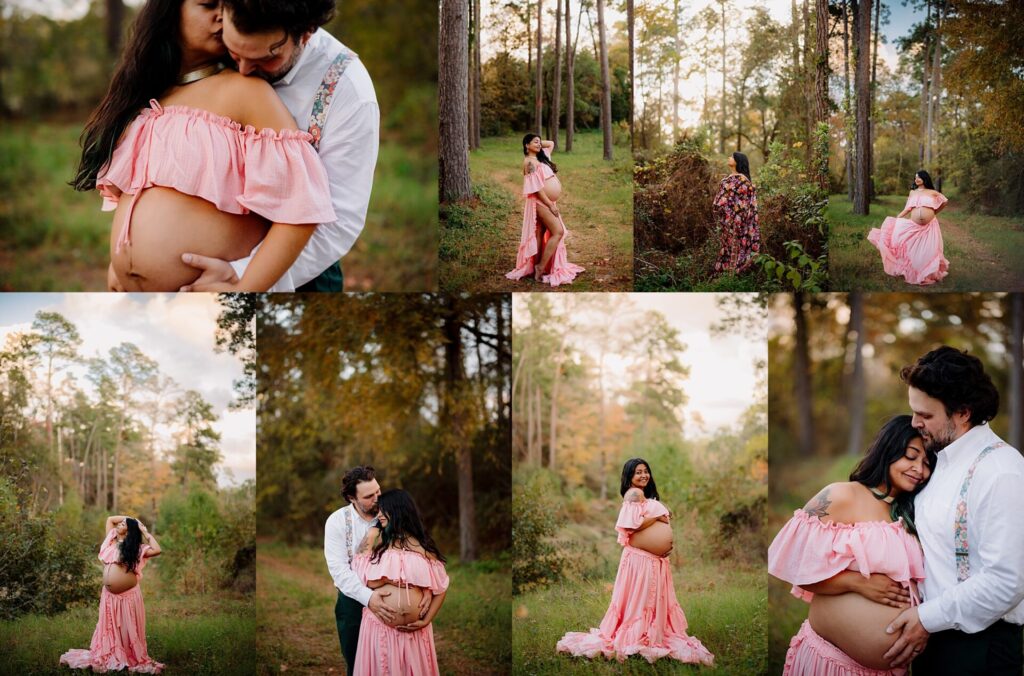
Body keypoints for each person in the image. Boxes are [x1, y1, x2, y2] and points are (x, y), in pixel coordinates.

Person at [73, 0, 338, 292]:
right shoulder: (151, 97)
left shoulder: (246, 92)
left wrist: (244, 288)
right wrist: (119, 267)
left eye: (226, 7)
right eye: (208, 4)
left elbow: (300, 207)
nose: (221, 17)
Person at [179, 0, 379, 292]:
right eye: (235, 52)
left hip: (298, 281)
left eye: (265, 58)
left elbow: (340, 220)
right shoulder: (208, 46)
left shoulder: (349, 91)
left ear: (307, 32)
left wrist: (243, 276)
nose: (245, 70)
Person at [882, 347, 1024, 674]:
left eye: (926, 416)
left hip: (980, 648)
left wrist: (926, 618)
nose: (915, 423)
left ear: (962, 412)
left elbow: (1007, 580)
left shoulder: (1002, 471)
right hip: (935, 639)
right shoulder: (936, 461)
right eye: (913, 412)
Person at [768, 416, 934, 674]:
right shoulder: (841, 495)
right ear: (888, 450)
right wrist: (858, 583)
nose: (919, 469)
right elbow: (795, 568)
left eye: (926, 463)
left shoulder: (915, 511)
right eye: (910, 457)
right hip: (831, 661)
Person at [556, 458, 714, 665]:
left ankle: (648, 633)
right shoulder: (634, 493)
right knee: (641, 601)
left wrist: (662, 539)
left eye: (646, 471)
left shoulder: (645, 496)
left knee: (647, 600)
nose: (643, 475)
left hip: (652, 560)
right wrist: (658, 518)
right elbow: (631, 525)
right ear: (629, 476)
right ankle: (638, 637)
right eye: (638, 472)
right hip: (641, 561)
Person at [324, 467, 432, 676]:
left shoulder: (393, 514)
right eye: (368, 496)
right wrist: (369, 598)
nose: (377, 498)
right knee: (359, 664)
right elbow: (339, 571)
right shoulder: (337, 522)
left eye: (378, 491)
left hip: (402, 610)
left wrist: (424, 588)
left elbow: (419, 553)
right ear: (351, 498)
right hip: (353, 602)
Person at [351, 489, 449, 675]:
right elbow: (359, 576)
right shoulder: (377, 540)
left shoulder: (423, 547)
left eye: (382, 510)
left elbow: (442, 586)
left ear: (397, 510)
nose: (378, 514)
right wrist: (385, 580)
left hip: (415, 633)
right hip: (380, 629)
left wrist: (427, 620)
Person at [60, 516, 164, 673]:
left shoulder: (136, 548)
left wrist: (144, 531)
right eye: (121, 523)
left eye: (123, 524)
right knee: (111, 629)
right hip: (109, 597)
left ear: (130, 531)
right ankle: (112, 654)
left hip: (127, 596)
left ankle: (127, 656)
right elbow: (109, 519)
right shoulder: (111, 541)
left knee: (127, 630)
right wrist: (130, 518)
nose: (119, 524)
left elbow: (157, 550)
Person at [505, 134, 584, 286]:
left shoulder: (542, 157)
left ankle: (539, 266)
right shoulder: (529, 162)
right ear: (526, 145)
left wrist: (537, 142)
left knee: (540, 232)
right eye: (535, 142)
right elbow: (538, 189)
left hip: (547, 201)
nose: (539, 144)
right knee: (558, 232)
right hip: (542, 202)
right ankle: (540, 267)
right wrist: (550, 205)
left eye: (539, 142)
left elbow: (551, 143)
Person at [866, 170, 949, 286]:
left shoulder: (932, 192)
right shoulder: (912, 193)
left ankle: (926, 272)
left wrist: (934, 212)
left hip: (929, 226)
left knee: (928, 250)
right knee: (907, 247)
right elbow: (908, 209)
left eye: (919, 177)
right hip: (914, 225)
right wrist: (897, 218)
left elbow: (944, 201)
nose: (916, 179)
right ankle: (911, 269)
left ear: (925, 178)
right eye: (915, 178)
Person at [713, 152, 761, 274]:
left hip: (738, 221)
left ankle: (736, 273)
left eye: (732, 157)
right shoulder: (727, 180)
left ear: (737, 161)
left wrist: (736, 218)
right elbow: (719, 201)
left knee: (737, 245)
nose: (729, 157)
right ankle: (726, 271)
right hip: (726, 221)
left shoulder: (743, 181)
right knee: (726, 246)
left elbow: (746, 204)